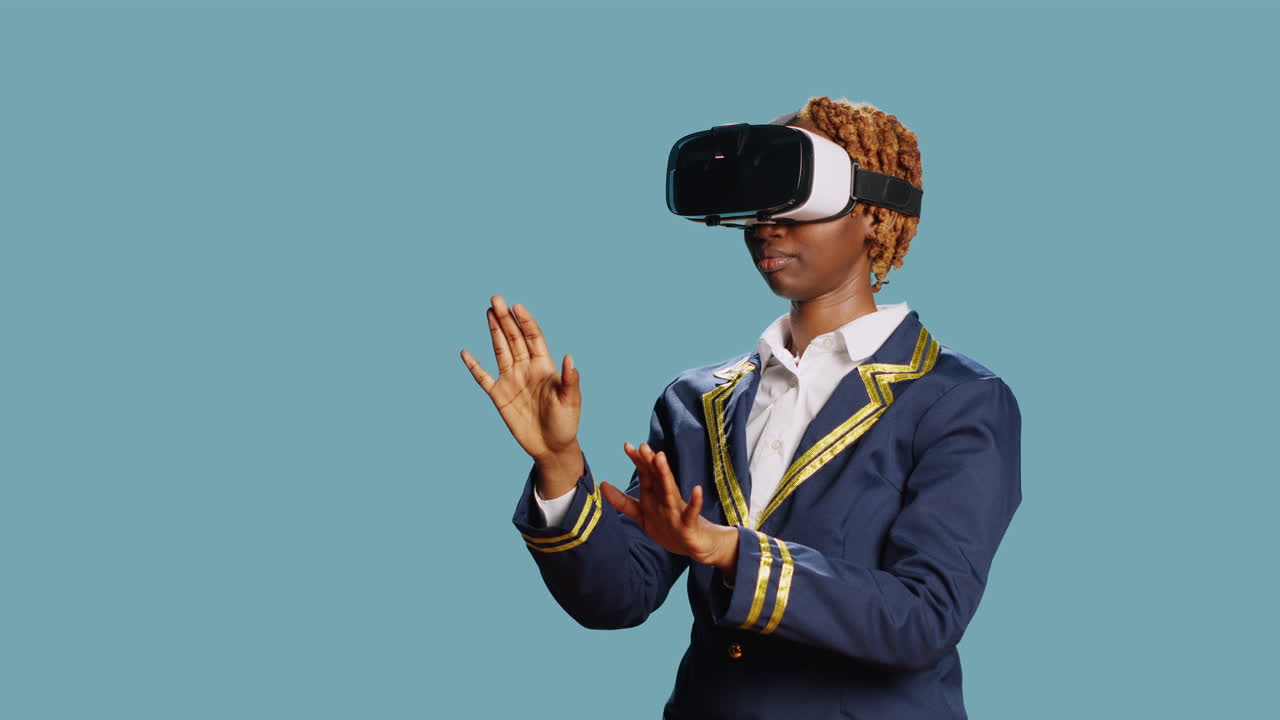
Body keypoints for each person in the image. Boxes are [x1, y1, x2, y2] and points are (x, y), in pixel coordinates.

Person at [459, 96, 1022, 720]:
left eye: (796, 197)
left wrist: (730, 551)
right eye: (761, 202)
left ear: (874, 215)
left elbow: (924, 617)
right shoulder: (697, 402)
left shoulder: (957, 400)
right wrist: (560, 464)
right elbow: (619, 598)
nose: (767, 224)